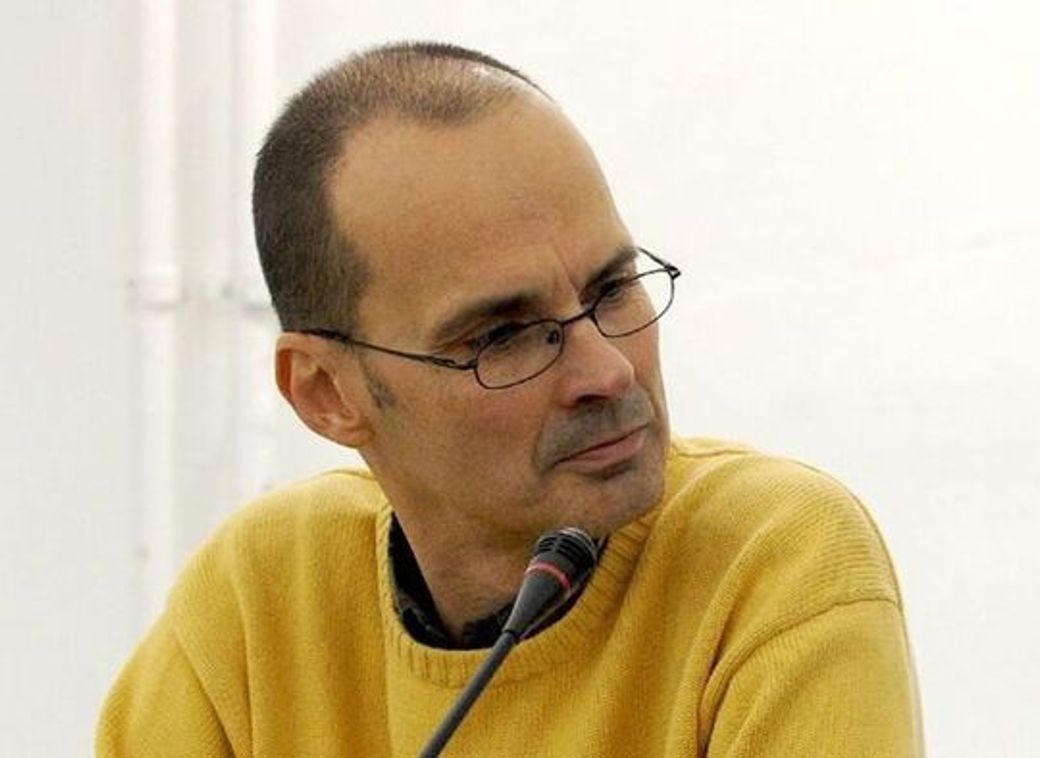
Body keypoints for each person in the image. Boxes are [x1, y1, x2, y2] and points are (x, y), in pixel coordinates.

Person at [97, 41, 923, 756]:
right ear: (327, 394)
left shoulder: (770, 556)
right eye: (503, 335)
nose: (608, 372)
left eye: (612, 289)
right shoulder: (259, 596)